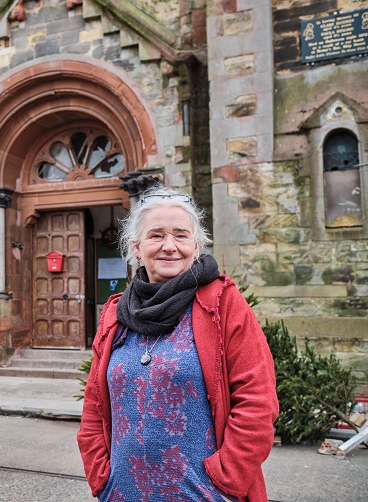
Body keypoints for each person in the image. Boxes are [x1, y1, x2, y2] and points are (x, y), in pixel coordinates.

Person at [77, 185, 278, 502]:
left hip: (203, 495)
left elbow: (257, 402)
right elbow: (94, 407)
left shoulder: (222, 304)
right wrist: (102, 479)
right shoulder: (115, 314)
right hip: (121, 494)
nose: (169, 246)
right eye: (156, 235)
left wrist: (224, 482)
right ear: (137, 248)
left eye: (181, 236)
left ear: (197, 247)